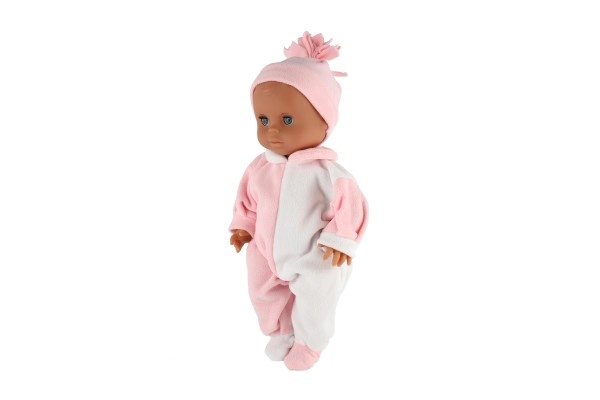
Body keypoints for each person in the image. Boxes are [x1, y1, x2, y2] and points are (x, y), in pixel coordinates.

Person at [229, 32, 368, 371]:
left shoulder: (328, 173)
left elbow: (351, 208)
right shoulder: (260, 167)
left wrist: (340, 240)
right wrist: (244, 226)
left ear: (324, 123)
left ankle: (310, 342)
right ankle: (281, 331)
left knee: (316, 296)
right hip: (266, 250)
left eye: (287, 120)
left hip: (315, 253)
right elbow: (247, 200)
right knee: (261, 290)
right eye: (263, 120)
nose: (273, 130)